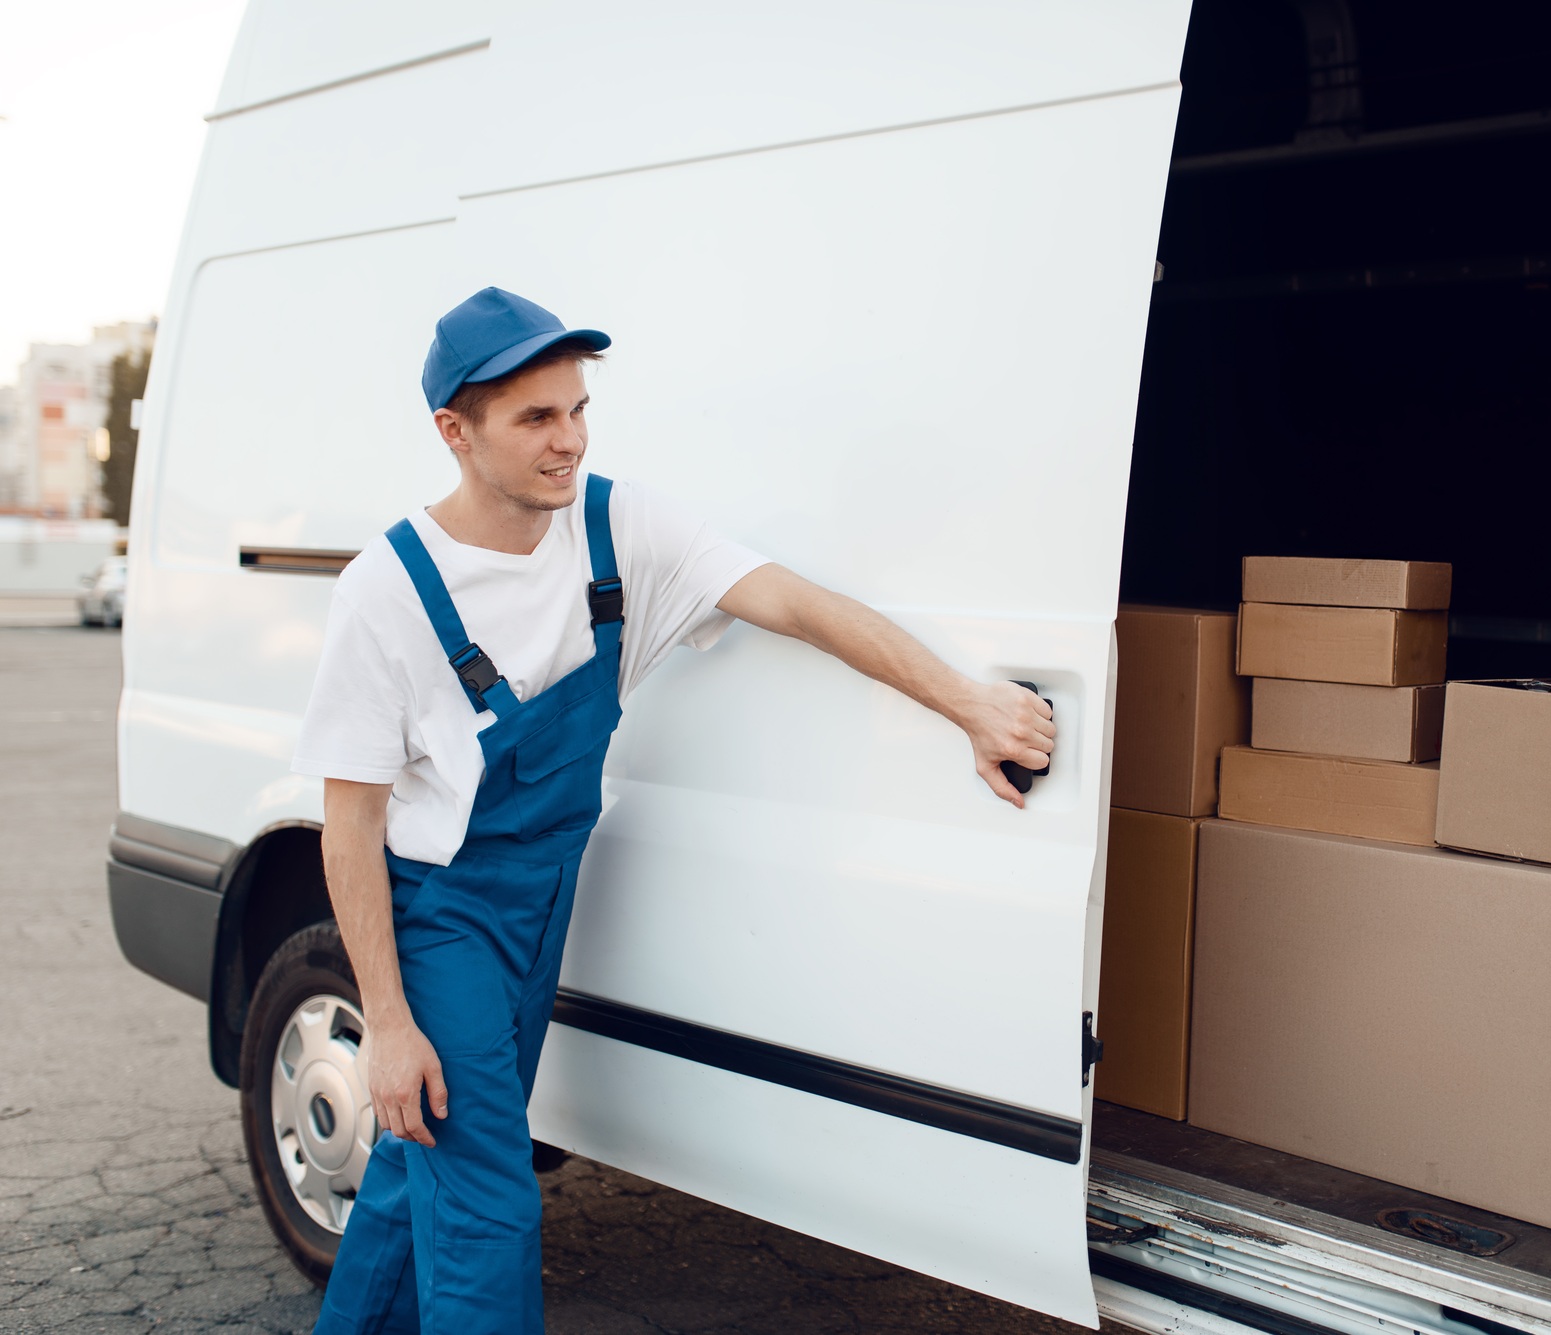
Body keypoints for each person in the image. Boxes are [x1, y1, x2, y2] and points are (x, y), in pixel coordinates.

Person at [293, 287, 1056, 1334]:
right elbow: (350, 820)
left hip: (546, 893)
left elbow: (796, 604)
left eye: (577, 410)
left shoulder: (615, 525)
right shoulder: (388, 589)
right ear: (454, 434)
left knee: (423, 1144)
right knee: (487, 1206)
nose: (568, 442)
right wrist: (385, 1019)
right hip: (443, 913)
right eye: (535, 420)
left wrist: (965, 702)